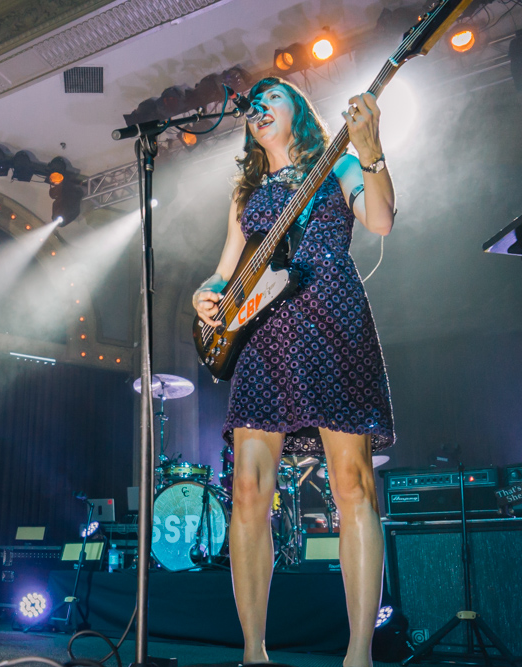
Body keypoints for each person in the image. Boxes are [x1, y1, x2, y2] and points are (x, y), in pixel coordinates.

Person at [192, 76, 395, 666]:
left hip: (331, 317)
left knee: (351, 484)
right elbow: (223, 272)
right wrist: (203, 297)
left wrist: (372, 148)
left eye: (272, 97)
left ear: (297, 111)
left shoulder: (339, 164)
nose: (259, 107)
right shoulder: (245, 192)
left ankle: (359, 655)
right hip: (263, 335)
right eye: (252, 103)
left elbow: (380, 219)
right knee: (249, 489)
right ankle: (253, 653)